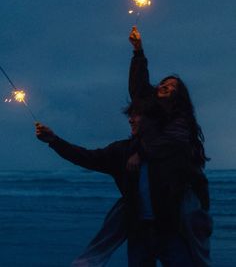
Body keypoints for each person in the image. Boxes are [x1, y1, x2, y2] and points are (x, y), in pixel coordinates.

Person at [35, 27, 212, 266]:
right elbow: (87, 157)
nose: (131, 118)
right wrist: (54, 141)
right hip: (139, 230)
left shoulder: (178, 134)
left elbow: (177, 149)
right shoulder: (124, 151)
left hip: (172, 228)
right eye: (163, 84)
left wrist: (142, 152)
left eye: (137, 116)